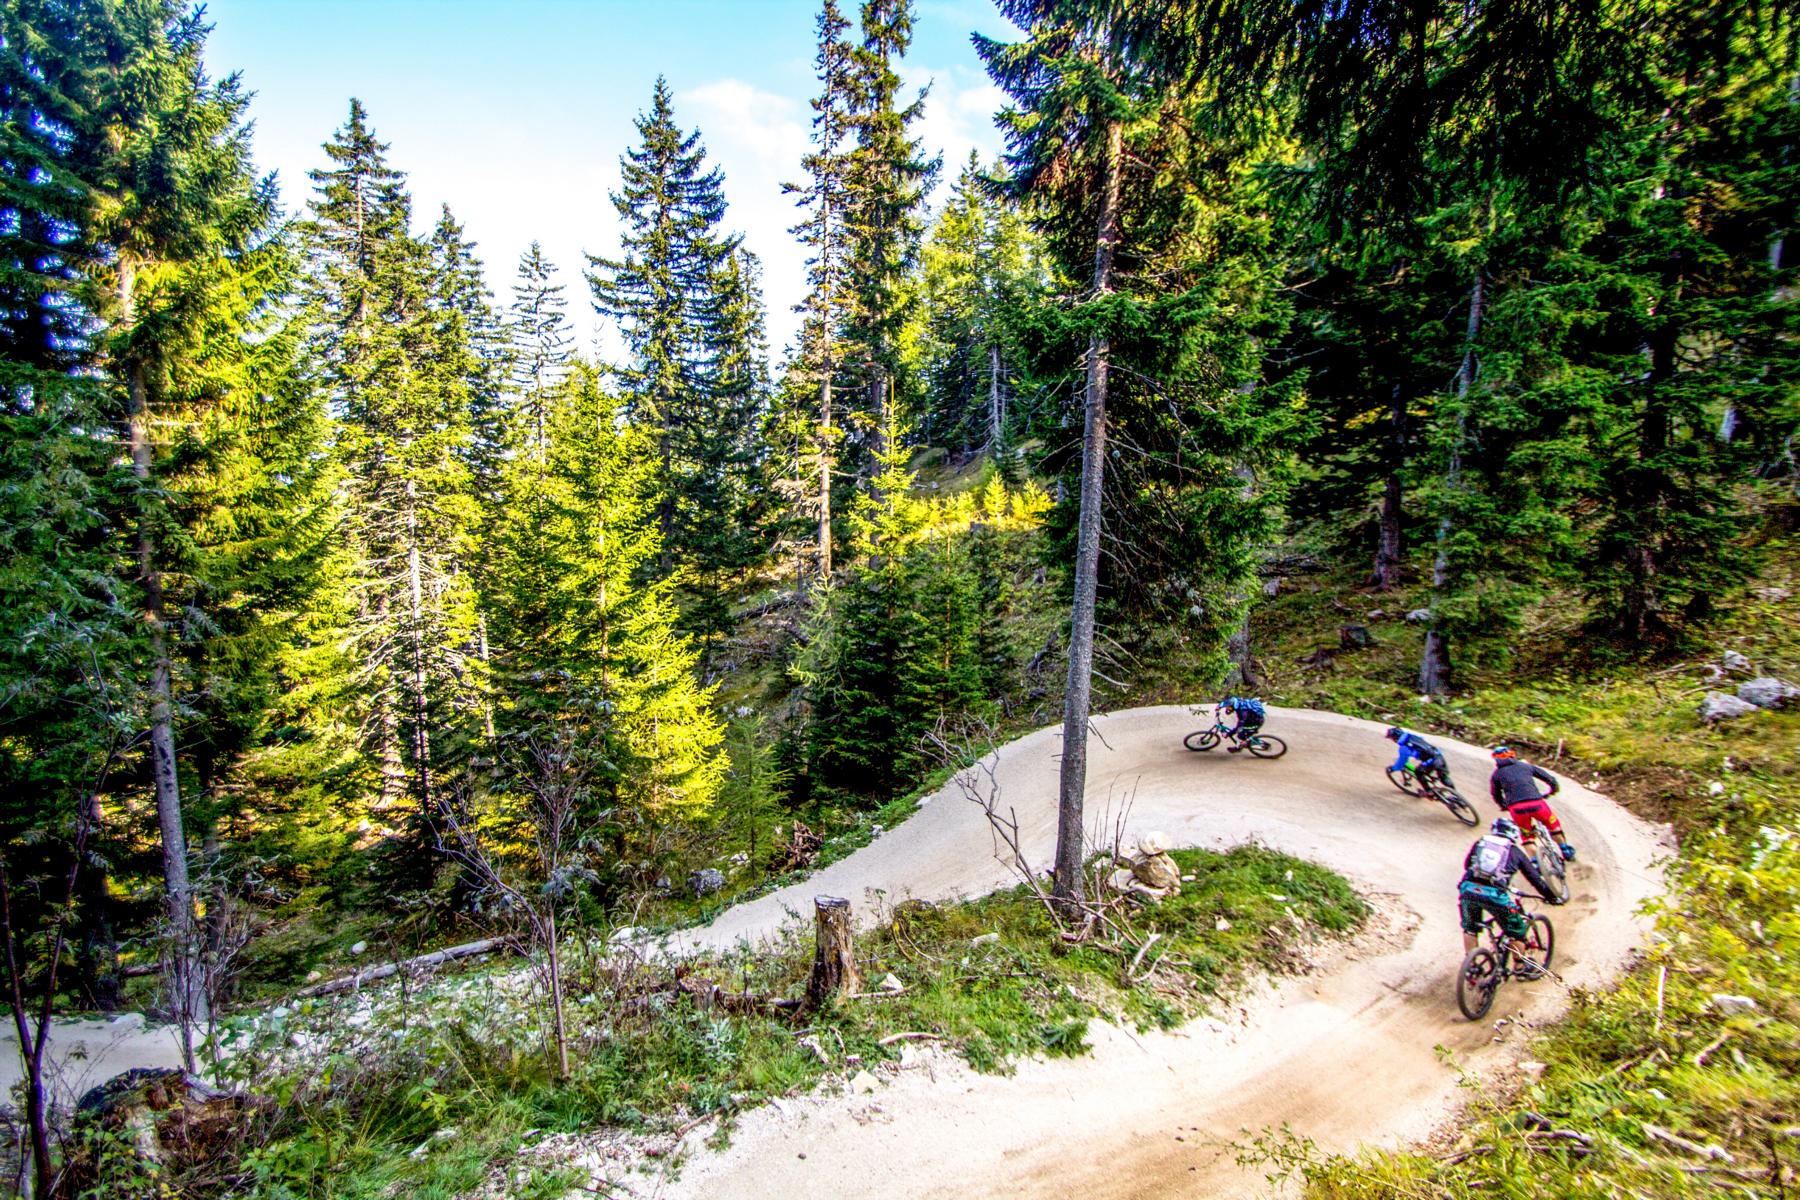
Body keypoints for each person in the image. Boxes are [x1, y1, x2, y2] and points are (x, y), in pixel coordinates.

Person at [1459, 816, 1564, 965]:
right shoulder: (1515, 851)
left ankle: (1472, 967)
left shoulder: (1481, 843)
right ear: (1514, 833)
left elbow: (1466, 865)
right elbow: (1534, 878)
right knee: (1517, 931)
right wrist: (1551, 896)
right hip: (1494, 895)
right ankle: (1520, 967)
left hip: (1468, 890)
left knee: (1470, 928)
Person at [1488, 746, 1576, 860]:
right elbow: (1550, 779)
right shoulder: (1526, 766)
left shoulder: (1496, 775)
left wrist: (1503, 805)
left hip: (1516, 808)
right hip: (1537, 803)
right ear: (1512, 755)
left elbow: (1495, 794)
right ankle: (1565, 849)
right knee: (1554, 826)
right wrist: (1553, 790)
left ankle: (1535, 862)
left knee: (1527, 836)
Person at [1385, 727, 1454, 790]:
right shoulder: (1414, 736)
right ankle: (1455, 795)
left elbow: (1401, 763)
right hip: (1438, 755)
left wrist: (1392, 769)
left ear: (1394, 738)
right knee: (1444, 777)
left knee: (1418, 772)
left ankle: (1428, 791)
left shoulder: (1404, 748)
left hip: (1431, 761)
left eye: (1391, 738)